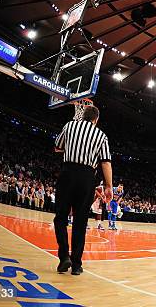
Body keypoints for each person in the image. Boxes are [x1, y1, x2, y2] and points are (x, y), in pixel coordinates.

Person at [53, 105, 112, 276]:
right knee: (80, 221)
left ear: (83, 115)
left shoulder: (69, 125)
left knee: (61, 217)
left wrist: (72, 147)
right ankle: (77, 265)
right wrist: (108, 186)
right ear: (96, 119)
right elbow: (105, 162)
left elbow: (57, 147)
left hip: (67, 173)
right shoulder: (101, 135)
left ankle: (64, 257)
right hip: (87, 178)